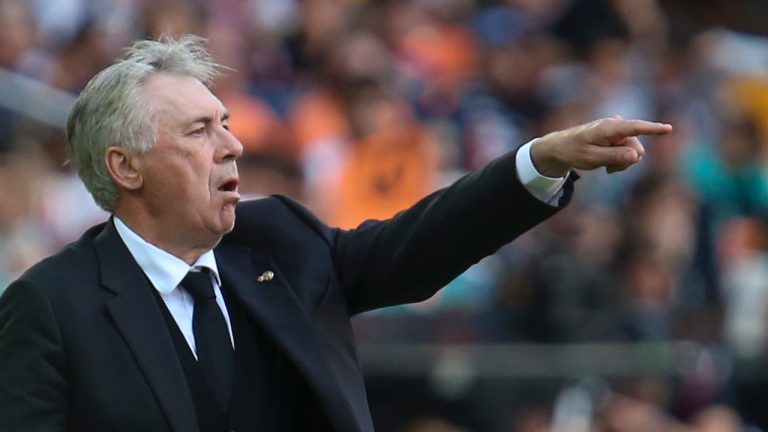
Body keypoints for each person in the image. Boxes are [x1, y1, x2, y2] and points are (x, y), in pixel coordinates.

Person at [0, 35, 672, 432]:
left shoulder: (277, 239)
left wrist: (543, 160)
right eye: (199, 131)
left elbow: (415, 248)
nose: (233, 145)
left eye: (226, 122)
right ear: (126, 166)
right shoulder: (51, 307)